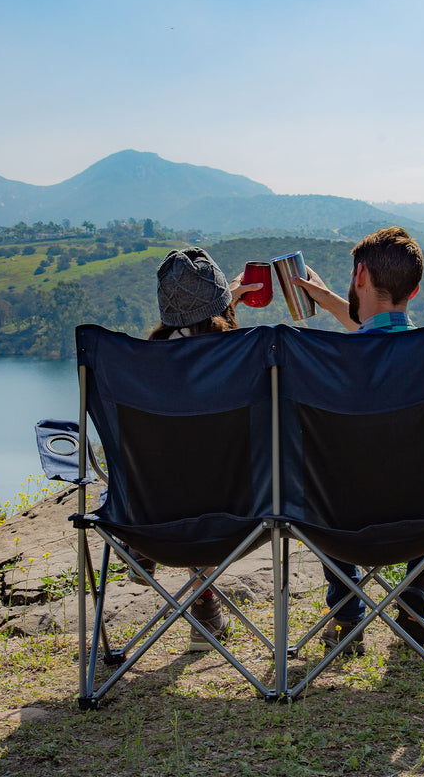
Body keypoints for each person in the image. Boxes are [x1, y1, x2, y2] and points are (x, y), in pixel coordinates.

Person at [292, 225, 424, 653]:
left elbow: (367, 340)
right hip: (423, 520)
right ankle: (418, 581)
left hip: (339, 523)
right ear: (416, 289)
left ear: (361, 276)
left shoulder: (329, 366)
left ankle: (347, 607)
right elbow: (382, 335)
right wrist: (332, 299)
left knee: (324, 470)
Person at [127, 246, 262, 652]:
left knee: (177, 469)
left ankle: (147, 552)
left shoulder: (138, 366)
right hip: (237, 513)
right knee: (210, 474)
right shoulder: (244, 357)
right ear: (222, 300)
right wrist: (227, 306)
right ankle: (204, 605)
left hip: (149, 516)